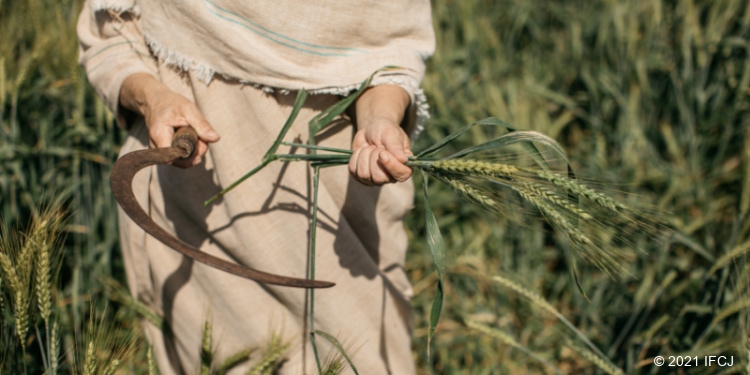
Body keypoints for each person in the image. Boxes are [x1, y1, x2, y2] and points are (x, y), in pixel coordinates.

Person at [77, 1, 435, 374]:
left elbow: (392, 53)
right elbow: (112, 35)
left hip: (336, 205)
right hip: (190, 206)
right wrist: (154, 98)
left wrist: (379, 119)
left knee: (359, 357)